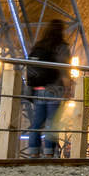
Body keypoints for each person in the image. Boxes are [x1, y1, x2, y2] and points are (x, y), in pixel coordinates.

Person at [23, 20, 70, 158]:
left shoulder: (39, 45)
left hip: (38, 89)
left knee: (37, 123)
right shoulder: (61, 47)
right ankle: (49, 154)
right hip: (54, 89)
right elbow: (64, 70)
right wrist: (67, 89)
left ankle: (33, 152)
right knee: (52, 123)